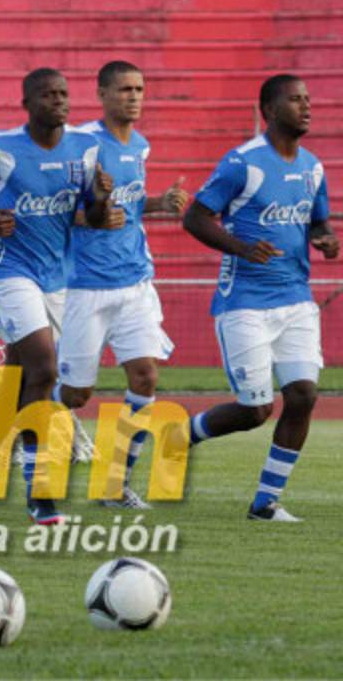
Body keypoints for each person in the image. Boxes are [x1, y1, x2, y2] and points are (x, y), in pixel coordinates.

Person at [0, 67, 112, 525]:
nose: (59, 101)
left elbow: (94, 219)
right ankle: (40, 495)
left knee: (18, 383)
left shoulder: (85, 148)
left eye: (64, 93)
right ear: (28, 103)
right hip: (9, 271)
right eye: (48, 95)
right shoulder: (1, 148)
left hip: (57, 278)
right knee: (43, 370)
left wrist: (99, 199)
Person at [182, 73, 337, 522]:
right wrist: (241, 248)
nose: (306, 106)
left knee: (304, 395)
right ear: (269, 110)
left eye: (308, 99)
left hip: (295, 299)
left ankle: (265, 503)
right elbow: (195, 218)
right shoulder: (242, 163)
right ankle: (182, 434)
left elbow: (318, 223)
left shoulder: (312, 167)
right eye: (295, 100)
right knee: (255, 410)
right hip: (245, 302)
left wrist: (327, 240)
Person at [57, 61, 188, 508]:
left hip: (135, 281)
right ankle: (16, 414)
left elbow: (127, 208)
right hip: (86, 285)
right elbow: (52, 208)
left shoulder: (141, 147)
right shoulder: (82, 145)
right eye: (125, 89)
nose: (134, 97)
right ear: (102, 94)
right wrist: (86, 216)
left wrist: (158, 202)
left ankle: (114, 485)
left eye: (140, 89)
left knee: (146, 376)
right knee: (75, 395)